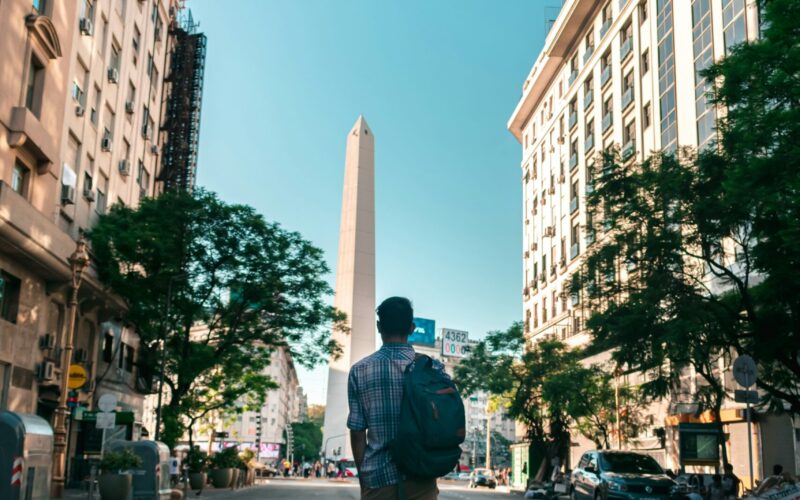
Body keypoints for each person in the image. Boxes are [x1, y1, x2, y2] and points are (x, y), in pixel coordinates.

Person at [347, 297, 446, 500]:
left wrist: (364, 477)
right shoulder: (433, 368)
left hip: (377, 480)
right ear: (412, 328)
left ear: (379, 326)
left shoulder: (359, 371)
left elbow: (357, 433)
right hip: (421, 478)